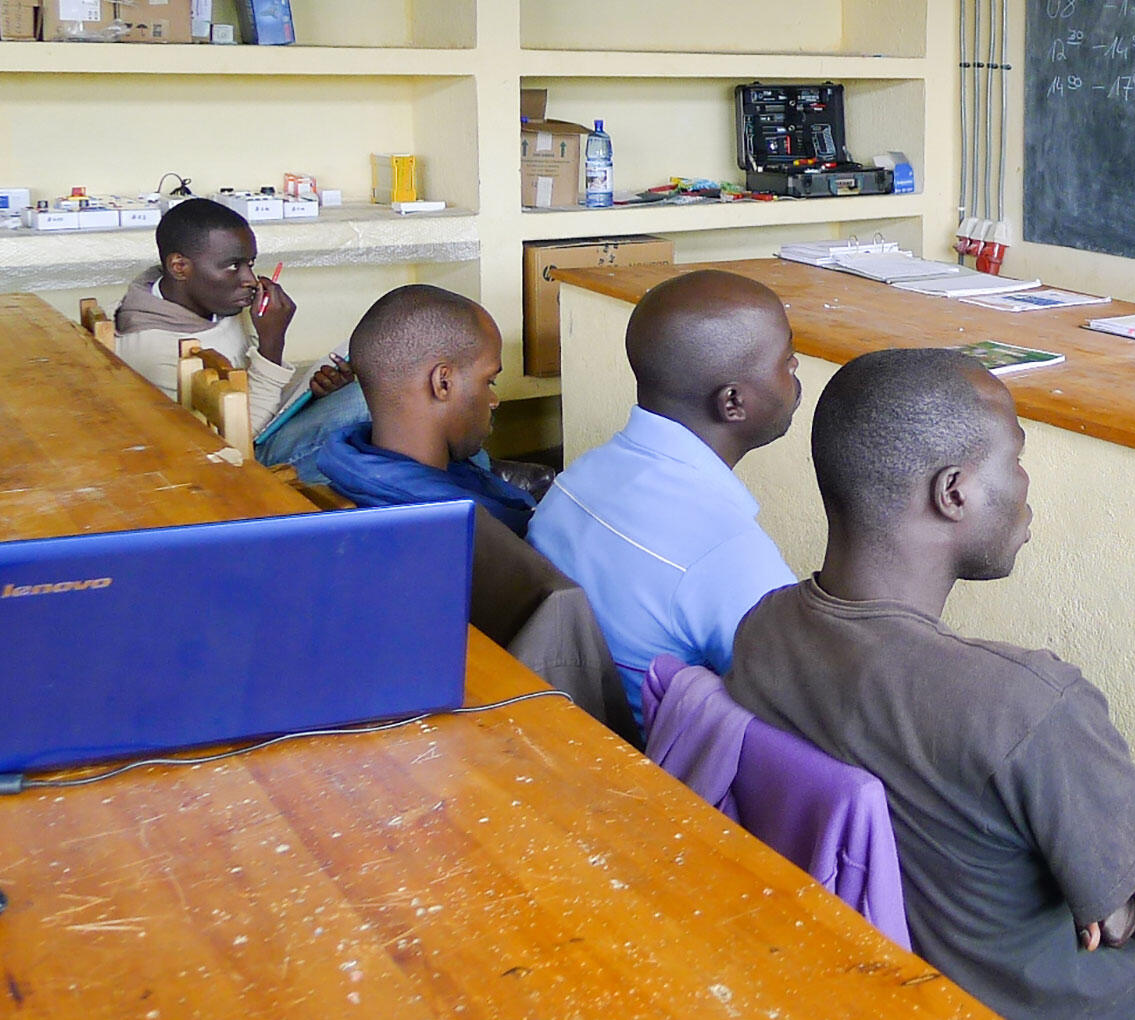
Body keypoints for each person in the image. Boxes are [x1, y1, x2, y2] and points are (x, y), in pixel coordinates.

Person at [727, 349, 1135, 1020]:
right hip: (1107, 1003)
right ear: (955, 492)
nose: (1026, 485)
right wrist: (1122, 904)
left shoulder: (763, 630)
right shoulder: (1021, 703)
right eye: (1018, 459)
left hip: (934, 946)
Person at [529, 268, 804, 725]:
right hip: (659, 779)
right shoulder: (725, 551)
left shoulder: (578, 478)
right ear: (732, 403)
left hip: (571, 735)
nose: (795, 370)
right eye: (787, 359)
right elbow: (805, 707)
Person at [112, 197, 353, 431]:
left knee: (359, 393)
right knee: (362, 407)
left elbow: (254, 388)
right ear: (179, 267)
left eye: (250, 264)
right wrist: (272, 343)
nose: (250, 280)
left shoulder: (206, 301)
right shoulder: (157, 352)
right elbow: (239, 443)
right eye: (233, 266)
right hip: (237, 458)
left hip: (265, 416)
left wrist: (314, 395)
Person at [315, 285, 535, 535]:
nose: (494, 400)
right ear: (443, 383)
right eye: (489, 382)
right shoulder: (479, 532)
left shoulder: (352, 467)